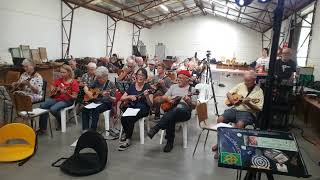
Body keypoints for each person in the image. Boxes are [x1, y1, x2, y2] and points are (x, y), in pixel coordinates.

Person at [211, 71, 264, 158]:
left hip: (248, 112)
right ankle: (220, 143)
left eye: (248, 81)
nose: (246, 83)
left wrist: (249, 103)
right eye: (245, 80)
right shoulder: (241, 85)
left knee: (239, 125)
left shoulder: (259, 91)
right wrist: (232, 99)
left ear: (254, 80)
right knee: (220, 119)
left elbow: (259, 109)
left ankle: (231, 148)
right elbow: (228, 93)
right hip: (235, 109)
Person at [147, 70, 197, 153]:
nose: (178, 79)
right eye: (178, 77)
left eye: (181, 78)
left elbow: (194, 106)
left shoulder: (192, 89)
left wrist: (188, 101)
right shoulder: (173, 87)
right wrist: (167, 98)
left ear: (187, 79)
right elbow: (160, 99)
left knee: (177, 108)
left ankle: (157, 129)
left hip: (185, 112)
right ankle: (169, 142)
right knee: (172, 116)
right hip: (172, 110)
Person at [118, 68, 153, 151]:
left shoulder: (148, 87)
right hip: (133, 106)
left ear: (145, 77)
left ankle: (128, 139)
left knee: (130, 118)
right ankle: (127, 133)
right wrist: (130, 96)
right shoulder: (132, 86)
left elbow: (151, 104)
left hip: (143, 108)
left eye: (142, 75)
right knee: (123, 118)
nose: (140, 77)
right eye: (139, 75)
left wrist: (147, 96)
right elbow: (122, 98)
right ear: (136, 76)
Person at [38, 64, 79, 133]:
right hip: (56, 98)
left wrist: (66, 93)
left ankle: (61, 121)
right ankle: (42, 128)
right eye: (61, 72)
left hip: (67, 100)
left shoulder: (73, 82)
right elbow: (52, 88)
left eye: (64, 72)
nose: (62, 74)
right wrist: (53, 89)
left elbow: (75, 97)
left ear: (69, 72)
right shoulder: (59, 80)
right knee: (42, 106)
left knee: (53, 109)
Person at [82, 66, 116, 131]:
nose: (99, 79)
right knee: (84, 109)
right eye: (98, 78)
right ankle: (85, 130)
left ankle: (92, 130)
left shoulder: (111, 84)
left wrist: (109, 96)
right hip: (96, 102)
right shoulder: (96, 82)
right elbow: (86, 86)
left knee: (96, 110)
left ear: (106, 76)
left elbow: (114, 99)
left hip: (106, 103)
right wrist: (88, 92)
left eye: (100, 78)